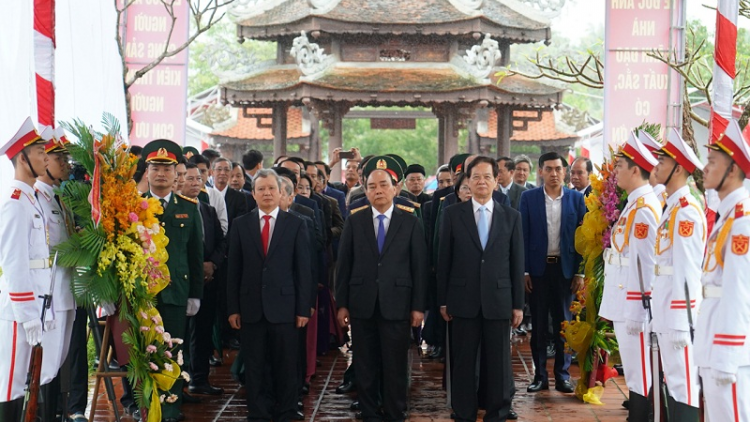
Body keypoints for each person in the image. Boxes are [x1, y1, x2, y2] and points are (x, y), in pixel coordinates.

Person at [336, 156, 428, 422]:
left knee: (395, 364)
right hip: (362, 303)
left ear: (396, 188)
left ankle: (395, 411)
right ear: (365, 190)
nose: (378, 190)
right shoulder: (355, 220)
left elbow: (419, 268)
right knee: (365, 363)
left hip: (398, 304)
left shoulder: (410, 220)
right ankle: (368, 411)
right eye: (372, 186)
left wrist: (418, 307)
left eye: (384, 185)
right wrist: (342, 303)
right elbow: (344, 265)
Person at [437, 156, 524, 422]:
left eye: (487, 176)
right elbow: (443, 260)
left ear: (496, 180)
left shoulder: (511, 217)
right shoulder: (452, 214)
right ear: (468, 181)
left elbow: (516, 262)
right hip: (462, 299)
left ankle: (497, 412)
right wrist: (442, 301)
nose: (482, 182)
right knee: (463, 361)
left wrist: (518, 304)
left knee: (498, 363)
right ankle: (464, 411)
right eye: (476, 177)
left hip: (498, 299)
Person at [227, 169, 312, 422]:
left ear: (281, 193)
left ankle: (286, 411)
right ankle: (258, 412)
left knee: (286, 365)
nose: (267, 193)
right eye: (261, 189)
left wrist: (303, 309)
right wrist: (233, 308)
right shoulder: (241, 224)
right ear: (253, 194)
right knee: (255, 366)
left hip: (286, 308)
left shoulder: (296, 224)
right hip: (251, 308)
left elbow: (303, 270)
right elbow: (234, 271)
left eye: (271, 189)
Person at [598, 132, 662, 421]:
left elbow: (647, 265)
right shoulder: (635, 204)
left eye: (621, 166)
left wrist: (638, 306)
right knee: (635, 369)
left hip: (633, 302)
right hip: (624, 298)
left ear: (636, 170)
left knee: (638, 370)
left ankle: (641, 415)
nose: (616, 172)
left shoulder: (645, 208)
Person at [142, 139, 204, 422]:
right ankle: (145, 406)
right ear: (147, 172)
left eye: (167, 169)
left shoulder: (189, 208)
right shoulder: (134, 206)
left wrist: (195, 294)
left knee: (173, 350)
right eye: (156, 168)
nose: (161, 174)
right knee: (144, 351)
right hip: (143, 294)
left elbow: (195, 254)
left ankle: (171, 407)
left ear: (175, 173)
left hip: (177, 291)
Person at [695, 120, 750, 421]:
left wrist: (726, 354)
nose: (705, 168)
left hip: (729, 348)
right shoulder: (727, 218)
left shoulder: (742, 222)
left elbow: (739, 292)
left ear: (733, 171)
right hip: (713, 339)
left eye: (713, 163)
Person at [650, 129, 706, 420]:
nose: (656, 165)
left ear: (680, 168)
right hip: (666, 309)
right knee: (674, 383)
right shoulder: (671, 207)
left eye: (663, 160)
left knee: (683, 386)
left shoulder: (686, 212)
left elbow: (688, 270)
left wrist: (682, 321)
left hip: (678, 316)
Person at [519, 152, 586, 394]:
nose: (554, 173)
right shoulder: (529, 199)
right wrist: (524, 270)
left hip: (565, 271)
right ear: (540, 172)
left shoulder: (577, 200)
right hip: (537, 271)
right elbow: (522, 237)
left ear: (565, 171)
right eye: (548, 169)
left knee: (564, 325)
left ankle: (563, 375)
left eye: (558, 169)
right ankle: (540, 376)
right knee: (538, 326)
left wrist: (580, 272)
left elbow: (583, 239)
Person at [0, 118, 50, 420]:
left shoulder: (30, 200)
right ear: (22, 157)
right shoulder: (15, 203)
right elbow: (14, 261)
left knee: (23, 385)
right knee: (11, 387)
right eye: (40, 151)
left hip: (34, 306)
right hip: (19, 312)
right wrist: (28, 313)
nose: (46, 157)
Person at [35, 127, 76, 420]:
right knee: (43, 370)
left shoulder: (59, 198)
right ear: (42, 161)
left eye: (66, 158)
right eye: (59, 157)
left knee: (56, 365)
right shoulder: (34, 199)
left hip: (65, 293)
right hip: (46, 298)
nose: (66, 163)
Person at [182, 163, 227, 396]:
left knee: (203, 331)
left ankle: (199, 379)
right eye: (188, 179)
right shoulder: (174, 209)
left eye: (197, 179)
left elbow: (221, 242)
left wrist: (213, 264)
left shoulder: (208, 210)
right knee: (179, 334)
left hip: (207, 281)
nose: (193, 183)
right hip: (182, 282)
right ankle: (177, 384)